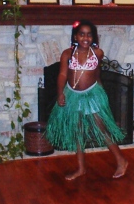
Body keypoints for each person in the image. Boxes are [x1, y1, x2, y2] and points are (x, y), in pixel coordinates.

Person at [46, 20, 128, 180]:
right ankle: (81, 168)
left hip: (92, 94)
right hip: (72, 95)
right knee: (77, 131)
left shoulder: (97, 53)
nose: (85, 38)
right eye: (81, 34)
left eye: (89, 35)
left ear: (94, 37)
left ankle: (121, 160)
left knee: (101, 128)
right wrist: (60, 93)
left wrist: (102, 94)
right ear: (75, 36)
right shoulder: (67, 54)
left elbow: (97, 74)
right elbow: (62, 75)